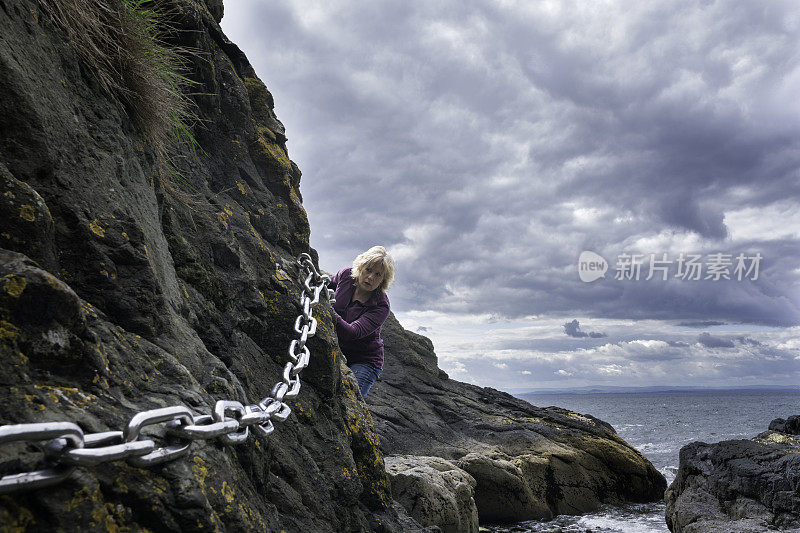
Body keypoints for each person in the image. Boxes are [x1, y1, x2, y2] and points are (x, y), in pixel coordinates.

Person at [328, 246, 394, 398]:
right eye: (368, 270)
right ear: (360, 268)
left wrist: (326, 310)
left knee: (348, 401)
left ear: (383, 280)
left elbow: (352, 332)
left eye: (378, 275)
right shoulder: (346, 276)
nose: (370, 277)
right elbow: (326, 284)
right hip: (339, 349)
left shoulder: (381, 306)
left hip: (365, 360)